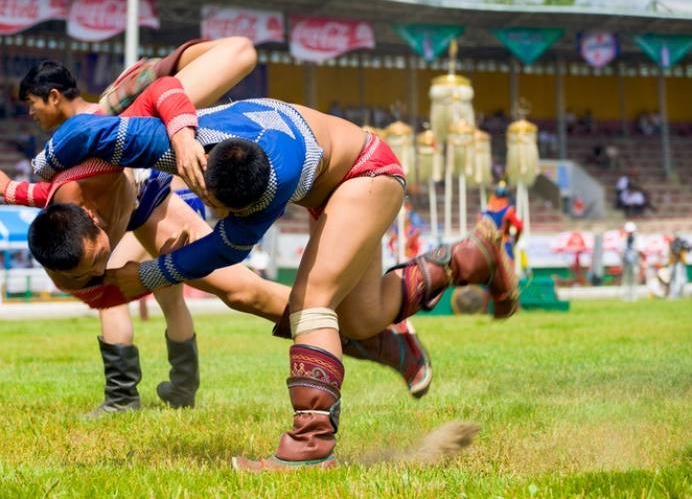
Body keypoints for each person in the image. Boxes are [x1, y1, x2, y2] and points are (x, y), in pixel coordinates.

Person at [38, 96, 519, 470]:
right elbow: (83, 127)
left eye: (223, 211)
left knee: (313, 304)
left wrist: (146, 274)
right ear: (197, 166)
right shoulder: (174, 144)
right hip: (338, 177)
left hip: (366, 174)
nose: (216, 215)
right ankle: (470, 257)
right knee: (364, 315)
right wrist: (40, 170)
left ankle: (310, 446)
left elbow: (222, 251)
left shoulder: (268, 190)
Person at [0, 40, 432, 416]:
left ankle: (375, 341)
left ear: (91, 220)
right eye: (92, 267)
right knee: (237, 296)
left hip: (154, 185)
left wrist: (162, 100)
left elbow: (231, 58)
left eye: (32, 102)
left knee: (251, 292)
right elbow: (64, 226)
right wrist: (19, 192)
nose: (31, 112)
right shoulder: (67, 235)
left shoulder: (93, 146)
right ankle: (128, 395)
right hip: (151, 191)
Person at [482, 182, 523, 262]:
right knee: (510, 271)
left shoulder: (486, 211)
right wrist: (515, 239)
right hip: (503, 245)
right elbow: (519, 226)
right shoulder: (508, 210)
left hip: (487, 247)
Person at [668, 234, 689, 298]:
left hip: (680, 263)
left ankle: (678, 293)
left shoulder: (681, 243)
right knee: (675, 279)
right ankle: (674, 293)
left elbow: (688, 249)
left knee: (681, 279)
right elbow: (674, 252)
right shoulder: (673, 244)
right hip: (674, 263)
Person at [622, 222, 639, 302]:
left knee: (633, 279)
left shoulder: (637, 239)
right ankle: (626, 295)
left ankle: (634, 295)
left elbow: (638, 251)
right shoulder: (623, 240)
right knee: (626, 279)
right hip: (626, 262)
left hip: (634, 261)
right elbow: (622, 251)